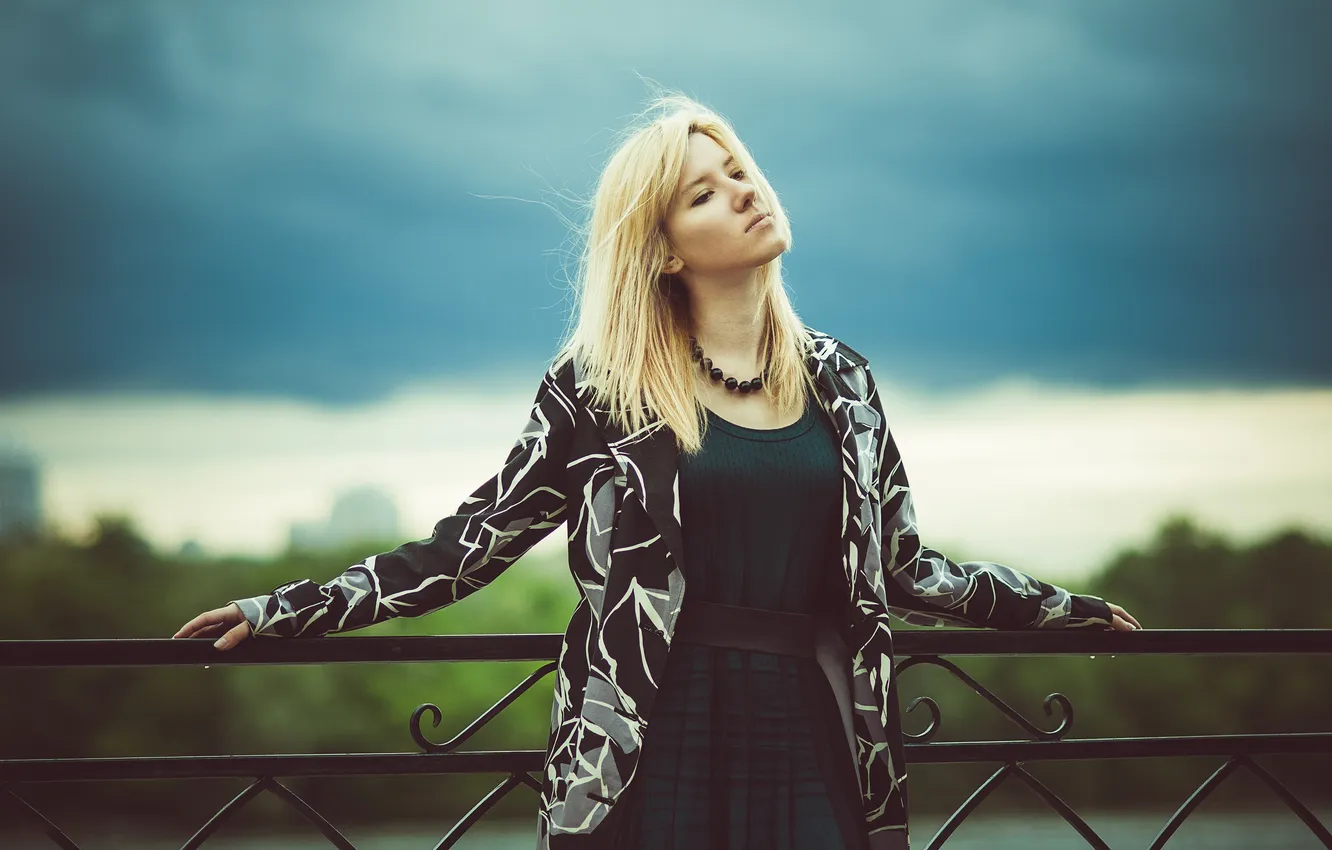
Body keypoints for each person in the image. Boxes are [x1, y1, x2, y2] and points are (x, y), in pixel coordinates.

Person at [174, 92, 1142, 850]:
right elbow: (468, 547)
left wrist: (1060, 611)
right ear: (664, 251)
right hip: (649, 742)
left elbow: (901, 566)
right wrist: (283, 610)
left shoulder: (845, 382)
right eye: (703, 194)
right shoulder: (599, 390)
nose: (745, 192)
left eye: (740, 170)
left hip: (816, 730)